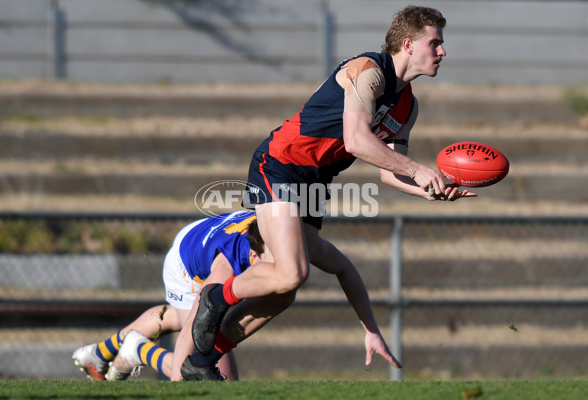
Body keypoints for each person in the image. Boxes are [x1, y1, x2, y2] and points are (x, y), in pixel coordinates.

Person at [181, 5, 476, 381]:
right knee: (292, 273)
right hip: (281, 164)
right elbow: (357, 141)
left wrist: (432, 191)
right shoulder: (368, 72)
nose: (442, 51)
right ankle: (217, 297)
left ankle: (202, 363)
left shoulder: (408, 106)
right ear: (408, 44)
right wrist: (419, 170)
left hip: (314, 182)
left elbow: (390, 173)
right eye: (435, 43)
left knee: (284, 291)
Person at [72, 210, 269, 381]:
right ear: (253, 256)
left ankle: (99, 353)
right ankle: (141, 351)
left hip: (203, 234)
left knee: (177, 316)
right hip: (185, 265)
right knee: (212, 374)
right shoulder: (228, 264)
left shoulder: (284, 241)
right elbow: (189, 334)